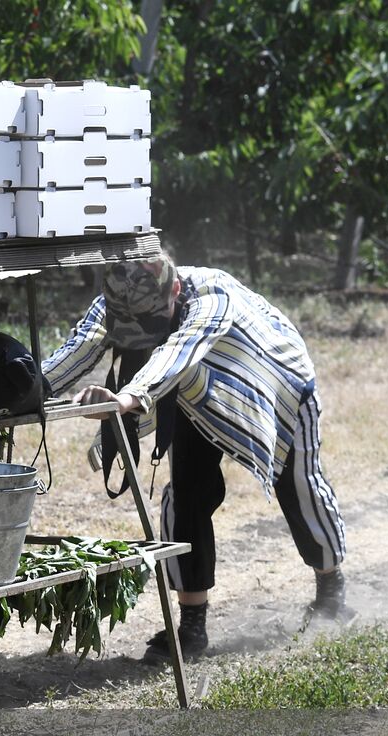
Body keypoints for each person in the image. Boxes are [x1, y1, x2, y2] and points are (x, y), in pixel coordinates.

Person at [42, 252, 348, 665]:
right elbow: (80, 347)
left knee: (298, 486)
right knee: (187, 494)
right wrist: (28, 390)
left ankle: (331, 593)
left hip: (274, 383)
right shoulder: (119, 296)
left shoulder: (211, 297)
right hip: (195, 391)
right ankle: (192, 626)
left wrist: (126, 398)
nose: (139, 336)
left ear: (173, 290)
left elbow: (179, 353)